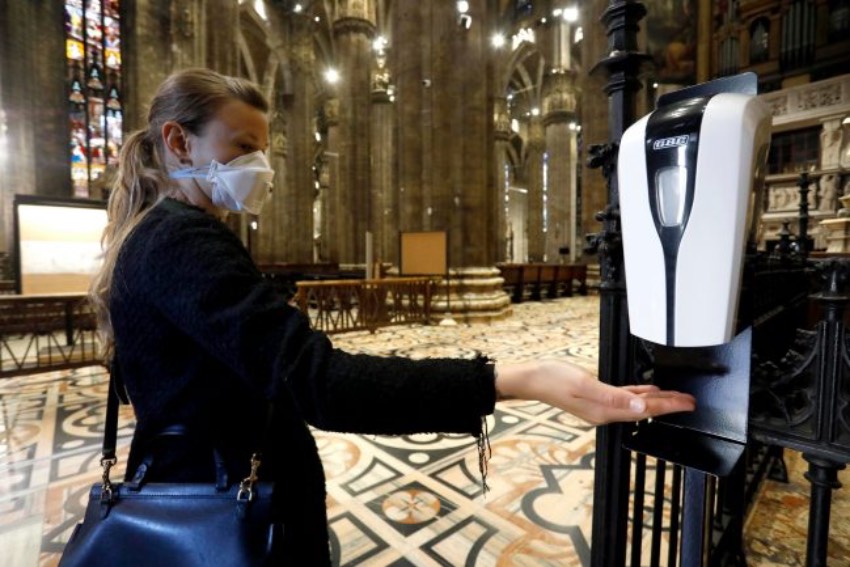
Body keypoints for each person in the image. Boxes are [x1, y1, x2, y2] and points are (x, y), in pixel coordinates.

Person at [88, 68, 695, 565]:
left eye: (264, 150)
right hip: (220, 509)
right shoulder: (181, 241)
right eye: (242, 147)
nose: (261, 166)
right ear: (179, 141)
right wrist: (516, 379)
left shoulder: (155, 233)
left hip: (211, 485)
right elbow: (319, 382)